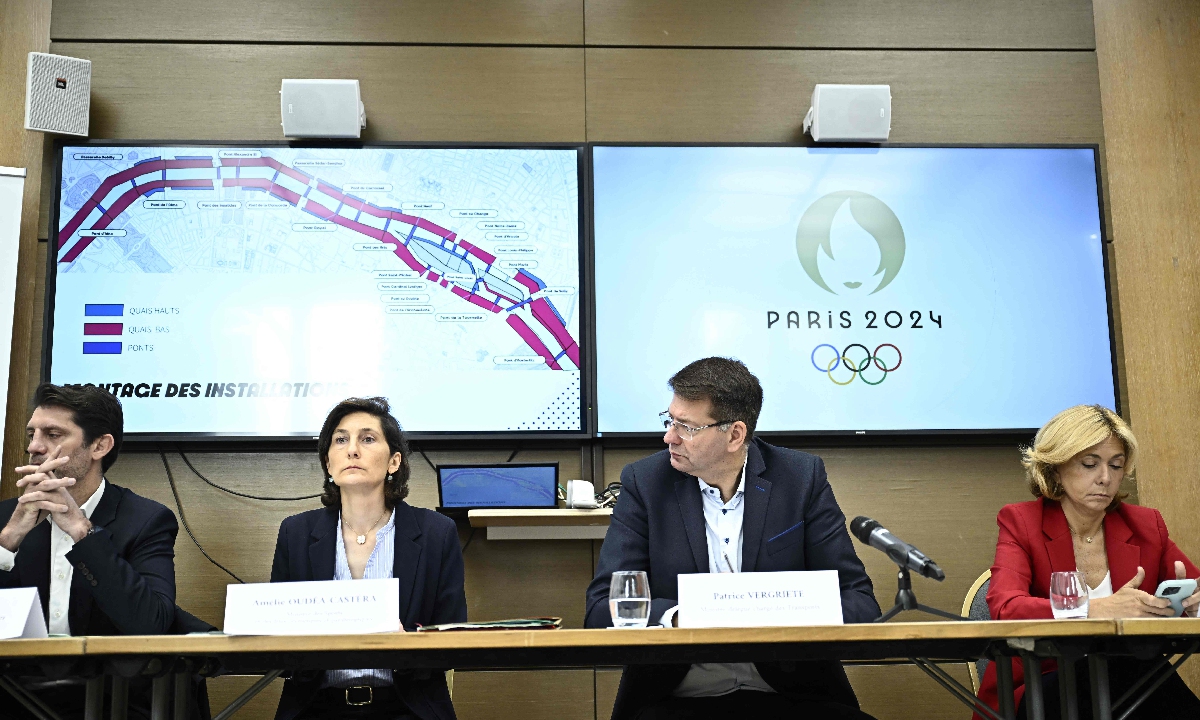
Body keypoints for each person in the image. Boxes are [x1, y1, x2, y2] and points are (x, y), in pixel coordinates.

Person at [585, 357, 881, 720]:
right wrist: (682, 617)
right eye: (669, 419)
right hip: (675, 699)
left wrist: (779, 612)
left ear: (735, 435)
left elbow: (860, 601)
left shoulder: (800, 478)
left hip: (794, 694)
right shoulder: (645, 484)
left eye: (687, 427)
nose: (669, 437)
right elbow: (602, 610)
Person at [976, 404, 1200, 719]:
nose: (1105, 478)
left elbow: (1193, 589)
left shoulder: (1146, 525)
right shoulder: (1022, 521)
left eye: (1116, 465)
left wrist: (1194, 604)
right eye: (1090, 464)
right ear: (1054, 468)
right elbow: (1005, 608)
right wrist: (1097, 609)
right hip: (1042, 686)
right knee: (1127, 664)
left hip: (1130, 688)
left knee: (1132, 664)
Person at [271, 397, 466, 720]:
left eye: (368, 438)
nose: (352, 450)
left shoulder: (436, 533)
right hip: (316, 707)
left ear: (394, 462)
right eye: (341, 440)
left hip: (407, 706)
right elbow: (275, 645)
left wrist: (409, 649)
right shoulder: (296, 533)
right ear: (328, 464)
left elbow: (454, 637)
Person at [0, 383, 180, 718]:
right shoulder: (6, 520)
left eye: (53, 434)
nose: (35, 446)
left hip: (113, 698)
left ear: (99, 445)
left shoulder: (146, 520)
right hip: (14, 694)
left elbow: (150, 624)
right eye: (32, 434)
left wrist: (81, 530)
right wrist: (9, 540)